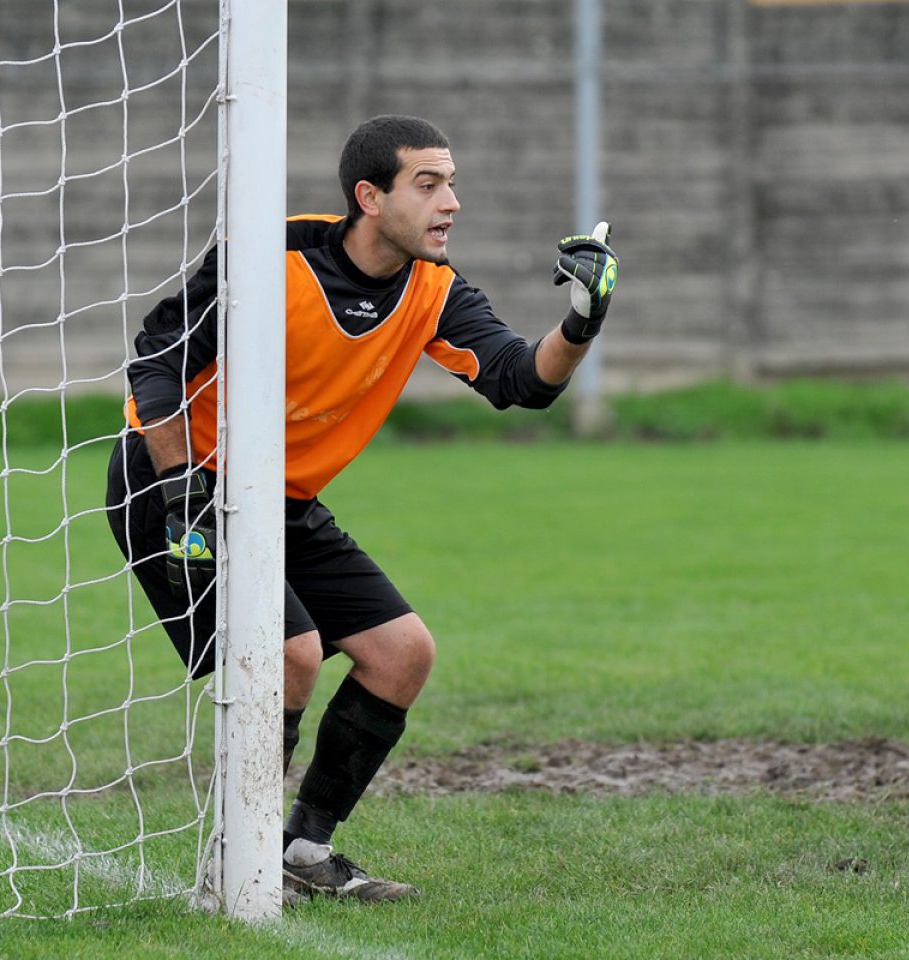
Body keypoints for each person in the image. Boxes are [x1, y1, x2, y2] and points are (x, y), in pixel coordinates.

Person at [105, 115, 619, 903]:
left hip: (283, 499)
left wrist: (583, 319)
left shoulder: (433, 287)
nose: (451, 202)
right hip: (171, 484)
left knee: (401, 653)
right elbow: (156, 358)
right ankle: (232, 863)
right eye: (429, 184)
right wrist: (183, 492)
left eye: (452, 184)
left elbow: (525, 382)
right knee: (292, 654)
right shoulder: (270, 256)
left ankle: (302, 849)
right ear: (369, 197)